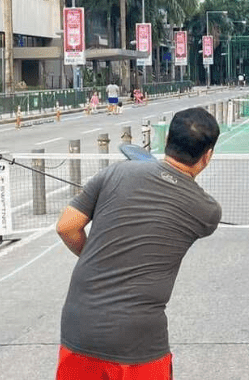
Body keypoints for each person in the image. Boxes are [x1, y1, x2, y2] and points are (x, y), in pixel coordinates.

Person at [55, 107, 221, 380]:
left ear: (167, 139)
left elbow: (66, 227)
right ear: (207, 156)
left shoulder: (114, 173)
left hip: (78, 325)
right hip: (138, 340)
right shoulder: (207, 212)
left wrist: (96, 258)